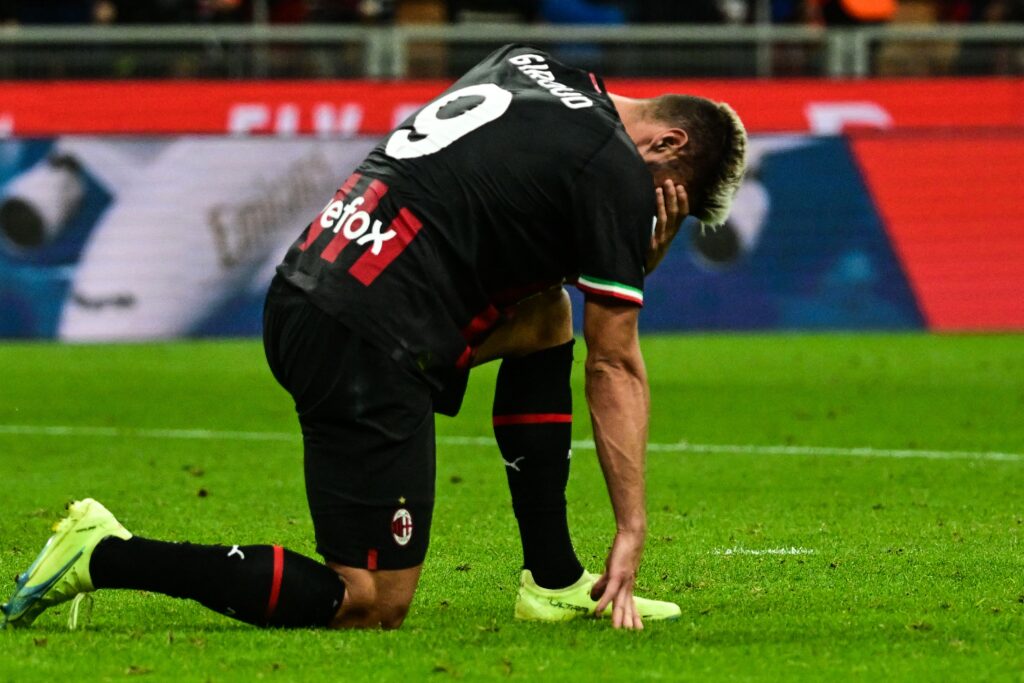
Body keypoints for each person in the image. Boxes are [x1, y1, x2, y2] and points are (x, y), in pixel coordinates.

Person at [3, 44, 746, 632]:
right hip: (366, 338)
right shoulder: (612, 169)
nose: (648, 216)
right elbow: (614, 362)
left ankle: (552, 581)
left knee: (546, 319)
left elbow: (510, 219)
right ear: (668, 141)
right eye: (662, 203)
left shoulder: (529, 64)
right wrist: (632, 525)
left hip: (314, 287)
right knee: (370, 602)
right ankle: (106, 554)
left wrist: (625, 254)